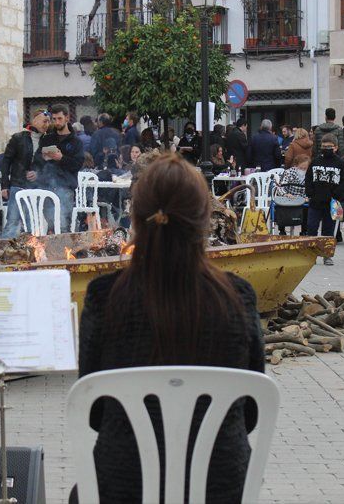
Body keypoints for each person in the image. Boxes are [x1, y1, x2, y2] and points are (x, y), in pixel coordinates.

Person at [74, 154, 264, 503]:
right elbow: (250, 413)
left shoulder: (104, 298)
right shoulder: (239, 298)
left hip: (120, 485)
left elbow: (94, 412)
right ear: (205, 219)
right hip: (220, 486)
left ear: (135, 218)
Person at [35, 104, 85, 233]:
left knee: (63, 224)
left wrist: (61, 158)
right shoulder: (47, 139)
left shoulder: (76, 142)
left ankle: (65, 251)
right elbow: (36, 160)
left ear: (67, 118)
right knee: (50, 224)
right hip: (47, 186)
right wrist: (43, 158)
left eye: (59, 118)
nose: (57, 122)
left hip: (66, 186)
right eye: (54, 119)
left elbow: (77, 164)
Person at [0, 111, 51, 237]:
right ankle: (6, 250)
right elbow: (6, 161)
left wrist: (38, 174)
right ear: (35, 121)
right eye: (44, 121)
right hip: (18, 183)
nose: (47, 125)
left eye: (49, 122)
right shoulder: (18, 138)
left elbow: (49, 166)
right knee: (13, 219)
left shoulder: (47, 141)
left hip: (36, 186)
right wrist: (5, 185)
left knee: (32, 221)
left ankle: (32, 250)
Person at [305, 135, 344, 265]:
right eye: (323, 147)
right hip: (315, 201)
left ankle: (327, 255)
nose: (326, 149)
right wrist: (310, 193)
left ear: (335, 148)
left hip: (332, 202)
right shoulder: (315, 161)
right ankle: (311, 255)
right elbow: (308, 178)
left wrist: (337, 196)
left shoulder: (340, 163)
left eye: (329, 147)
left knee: (328, 230)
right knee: (311, 227)